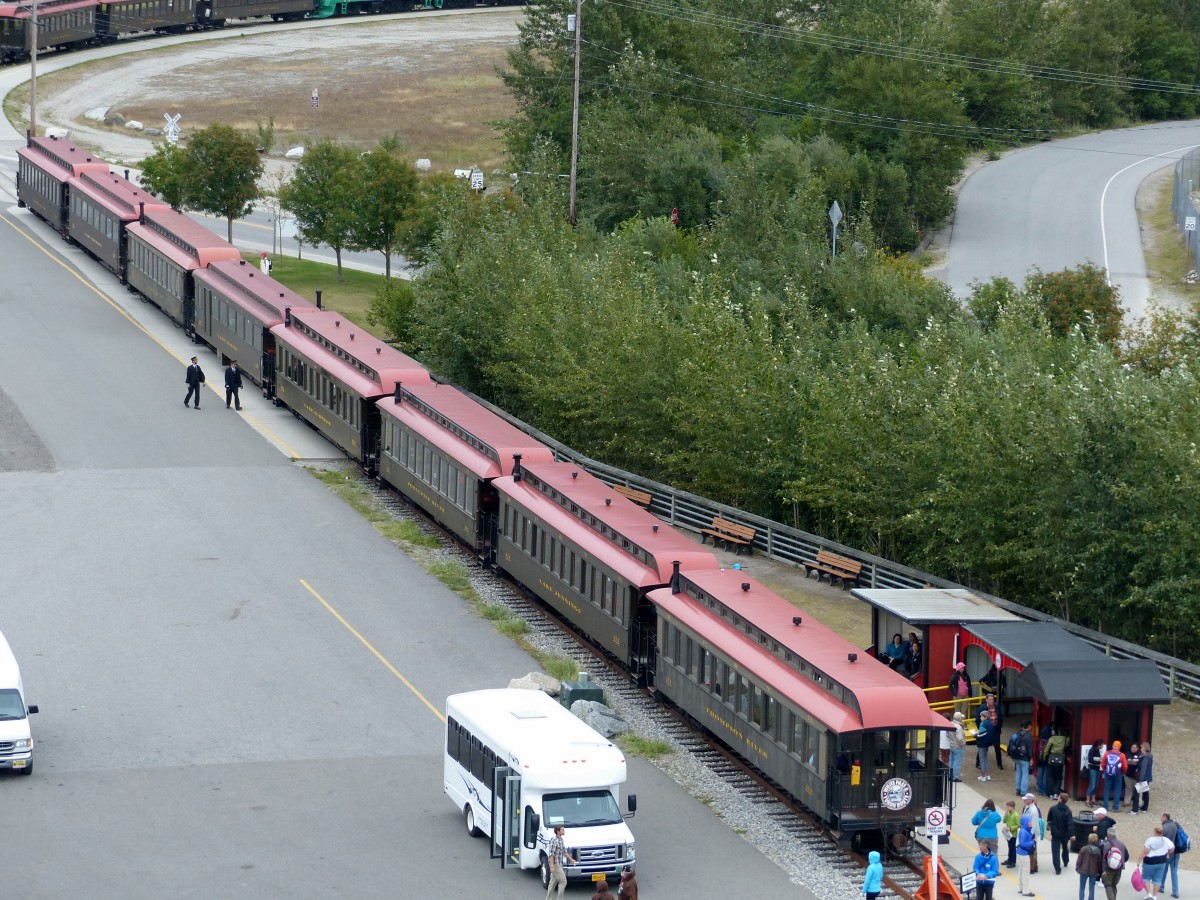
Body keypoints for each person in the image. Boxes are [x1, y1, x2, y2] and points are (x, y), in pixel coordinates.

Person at [1139, 823, 1175, 898]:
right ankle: (1154, 896)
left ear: (1155, 832)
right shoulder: (1165, 840)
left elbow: (1145, 851)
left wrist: (1139, 859)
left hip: (1149, 861)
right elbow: (1172, 848)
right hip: (1161, 861)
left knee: (1146, 877)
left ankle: (1149, 893)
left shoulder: (1150, 840)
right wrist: (1168, 854)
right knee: (1158, 880)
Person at [545, 824, 576, 900]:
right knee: (563, 881)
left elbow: (564, 852)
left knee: (553, 882)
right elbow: (551, 854)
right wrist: (552, 866)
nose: (564, 831)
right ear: (558, 831)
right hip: (556, 864)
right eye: (562, 830)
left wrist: (571, 859)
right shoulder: (554, 840)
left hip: (559, 863)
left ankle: (548, 899)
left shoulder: (561, 840)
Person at [1100, 825, 1129, 900]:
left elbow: (1104, 859)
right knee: (1114, 885)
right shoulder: (1122, 844)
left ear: (1109, 835)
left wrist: (1103, 870)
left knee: (1108, 885)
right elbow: (1126, 857)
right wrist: (1120, 863)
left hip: (1109, 869)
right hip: (1119, 869)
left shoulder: (1107, 845)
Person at [1049, 792, 1075, 874]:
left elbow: (1049, 819)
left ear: (1060, 799)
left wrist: (1050, 827)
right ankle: (1066, 860)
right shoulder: (1068, 811)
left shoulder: (1053, 808)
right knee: (1065, 847)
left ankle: (1057, 868)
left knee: (1055, 851)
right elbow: (1070, 824)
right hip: (1065, 833)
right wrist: (1071, 834)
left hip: (1055, 833)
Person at [979, 693, 1004, 770]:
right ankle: (978, 763)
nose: (991, 701)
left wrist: (1000, 726)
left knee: (997, 747)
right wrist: (981, 729)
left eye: (992, 699)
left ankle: (999, 764)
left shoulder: (997, 706)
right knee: (983, 746)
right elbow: (977, 719)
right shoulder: (982, 707)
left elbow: (1000, 717)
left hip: (995, 730)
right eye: (990, 699)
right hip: (986, 730)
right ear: (986, 700)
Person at [1042, 728, 1070, 797]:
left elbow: (1046, 749)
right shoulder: (1066, 739)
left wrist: (1044, 757)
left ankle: (1050, 793)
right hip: (1060, 760)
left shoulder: (1052, 739)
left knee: (1050, 777)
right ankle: (1056, 793)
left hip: (1051, 759)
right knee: (1058, 778)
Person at [1076, 832, 1104, 900]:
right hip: (1093, 871)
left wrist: (1077, 867)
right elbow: (1099, 862)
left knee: (1082, 887)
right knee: (1092, 888)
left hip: (1083, 870)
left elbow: (1079, 859)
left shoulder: (1083, 849)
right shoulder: (1098, 850)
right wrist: (1099, 872)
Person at [1102, 741, 1127, 812]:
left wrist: (1105, 770)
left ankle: (1105, 806)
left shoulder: (1107, 753)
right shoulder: (1122, 755)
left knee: (1106, 789)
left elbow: (1103, 763)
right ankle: (1115, 807)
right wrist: (1123, 772)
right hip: (1118, 774)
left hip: (1108, 773)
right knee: (1117, 790)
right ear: (1120, 746)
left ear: (1113, 746)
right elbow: (1125, 766)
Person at [1160, 812, 1180, 898]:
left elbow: (1161, 841)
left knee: (1164, 869)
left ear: (1165, 817)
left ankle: (1161, 886)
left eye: (1161, 816)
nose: (1160, 818)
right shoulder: (1176, 824)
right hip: (1176, 852)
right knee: (1174, 872)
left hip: (1167, 852)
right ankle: (1175, 892)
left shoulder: (1164, 827)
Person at [1012, 721, 1035, 796]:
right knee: (1025, 774)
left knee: (1018, 773)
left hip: (1017, 757)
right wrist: (1031, 758)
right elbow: (1029, 748)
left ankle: (1018, 789)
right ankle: (1023, 791)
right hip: (1025, 758)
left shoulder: (1018, 734)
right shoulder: (1028, 736)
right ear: (1028, 726)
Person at [1017, 813, 1037, 896]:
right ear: (1025, 823)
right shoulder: (1024, 832)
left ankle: (1020, 888)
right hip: (1024, 854)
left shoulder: (1024, 830)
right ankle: (1025, 890)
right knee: (1025, 872)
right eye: (1029, 822)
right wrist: (1032, 842)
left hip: (1020, 853)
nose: (1031, 823)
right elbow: (1022, 843)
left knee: (1021, 871)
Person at [1023, 793, 1044, 873]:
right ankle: (1032, 865)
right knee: (1029, 850)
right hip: (1026, 831)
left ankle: (1033, 867)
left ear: (1030, 800)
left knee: (1032, 851)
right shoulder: (1026, 807)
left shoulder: (1034, 810)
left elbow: (1034, 823)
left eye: (1026, 799)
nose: (1024, 800)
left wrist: (1031, 834)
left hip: (1031, 833)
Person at [1132, 741, 1153, 814]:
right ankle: (1144, 808)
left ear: (1144, 748)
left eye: (1141, 747)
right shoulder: (1148, 756)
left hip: (1143, 778)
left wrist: (1140, 780)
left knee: (1136, 792)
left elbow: (1143, 769)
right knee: (1145, 792)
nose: (1140, 748)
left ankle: (1135, 810)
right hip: (1147, 777)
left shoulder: (1146, 758)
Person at [976, 711, 995, 781]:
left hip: (982, 743)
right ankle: (987, 775)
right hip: (987, 743)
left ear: (985, 717)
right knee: (985, 758)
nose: (980, 718)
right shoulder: (990, 723)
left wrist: (975, 735)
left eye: (981, 716)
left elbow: (981, 734)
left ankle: (983, 775)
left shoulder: (983, 724)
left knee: (982, 759)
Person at [948, 712, 967, 782]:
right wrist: (963, 743)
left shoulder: (950, 724)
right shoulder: (959, 727)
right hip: (958, 746)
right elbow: (959, 738)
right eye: (961, 717)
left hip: (951, 744)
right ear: (959, 718)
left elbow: (947, 735)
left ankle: (950, 775)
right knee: (957, 762)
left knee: (951, 760)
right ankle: (955, 776)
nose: (962, 719)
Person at [1086, 739, 1105, 806]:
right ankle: (1088, 800)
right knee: (1092, 785)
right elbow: (1090, 759)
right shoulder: (1092, 750)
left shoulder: (1097, 750)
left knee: (1096, 785)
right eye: (1102, 744)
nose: (1103, 746)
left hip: (1097, 768)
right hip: (1093, 769)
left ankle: (1093, 799)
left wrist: (1099, 760)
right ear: (1099, 745)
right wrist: (1098, 760)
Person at [1002, 800, 1020, 867]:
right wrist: (1005, 815)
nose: (1007, 808)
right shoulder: (1009, 813)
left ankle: (1013, 861)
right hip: (1008, 834)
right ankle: (1009, 859)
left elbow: (1018, 825)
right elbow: (1004, 821)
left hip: (1013, 834)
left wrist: (1011, 828)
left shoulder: (1016, 815)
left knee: (1012, 848)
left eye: (1008, 807)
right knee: (1009, 847)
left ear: (1012, 807)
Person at [1124, 742, 1141, 809]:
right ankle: (1126, 802)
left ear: (1137, 748)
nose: (1132, 749)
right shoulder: (1127, 753)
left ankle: (1139, 803)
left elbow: (1140, 762)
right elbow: (1124, 761)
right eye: (1132, 747)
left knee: (1138, 789)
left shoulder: (1140, 754)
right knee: (1128, 788)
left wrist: (1133, 761)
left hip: (1136, 775)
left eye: (1134, 748)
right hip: (1128, 774)